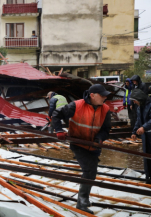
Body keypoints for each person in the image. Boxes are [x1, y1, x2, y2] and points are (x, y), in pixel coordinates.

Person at [52, 84, 111, 214]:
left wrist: (100, 139)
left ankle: (84, 198)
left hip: (94, 145)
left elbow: (106, 129)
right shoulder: (76, 105)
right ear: (92, 95)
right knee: (89, 170)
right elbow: (57, 114)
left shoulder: (105, 109)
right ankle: (82, 202)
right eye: (102, 96)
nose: (105, 98)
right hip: (78, 143)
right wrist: (59, 130)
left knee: (92, 172)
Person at [130, 88, 151, 184]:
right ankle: (148, 177)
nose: (134, 102)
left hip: (149, 132)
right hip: (145, 135)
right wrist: (134, 132)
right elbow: (138, 120)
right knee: (146, 156)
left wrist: (144, 127)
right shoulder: (139, 107)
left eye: (134, 100)